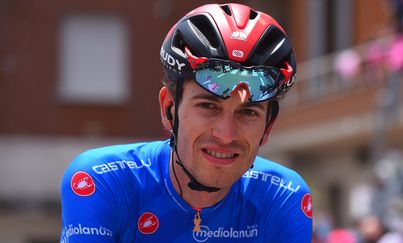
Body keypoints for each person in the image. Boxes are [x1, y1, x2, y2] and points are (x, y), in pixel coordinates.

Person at [60, 3, 312, 242]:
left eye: (248, 113)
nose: (226, 135)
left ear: (268, 126)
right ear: (169, 108)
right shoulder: (101, 180)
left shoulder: (283, 195)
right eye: (208, 106)